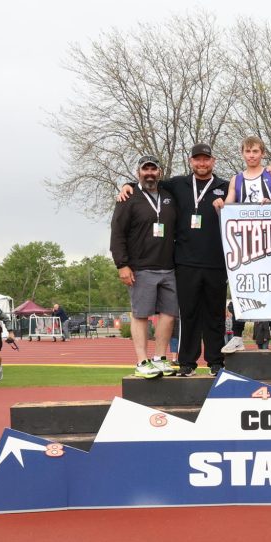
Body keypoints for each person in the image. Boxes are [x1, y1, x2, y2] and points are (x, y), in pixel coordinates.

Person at [119, 143, 230, 376]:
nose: (202, 163)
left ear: (213, 161)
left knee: (215, 315)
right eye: (197, 159)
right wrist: (127, 185)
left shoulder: (225, 187)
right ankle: (187, 362)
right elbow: (149, 182)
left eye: (206, 159)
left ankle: (216, 361)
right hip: (185, 262)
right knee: (187, 315)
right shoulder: (178, 184)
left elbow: (244, 201)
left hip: (217, 262)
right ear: (191, 161)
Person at [110, 155, 179, 379]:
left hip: (169, 267)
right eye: (145, 169)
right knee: (141, 315)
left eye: (153, 169)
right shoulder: (128, 197)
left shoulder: (169, 196)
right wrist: (122, 265)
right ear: (138, 172)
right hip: (140, 267)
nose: (149, 173)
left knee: (169, 315)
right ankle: (141, 361)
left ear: (159, 172)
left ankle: (159, 358)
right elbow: (117, 232)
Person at [222, 136, 271, 353]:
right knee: (241, 287)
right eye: (248, 151)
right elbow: (228, 206)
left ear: (262, 153)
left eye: (255, 151)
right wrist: (220, 205)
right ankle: (237, 336)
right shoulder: (236, 180)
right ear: (242, 153)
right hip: (245, 244)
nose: (251, 155)